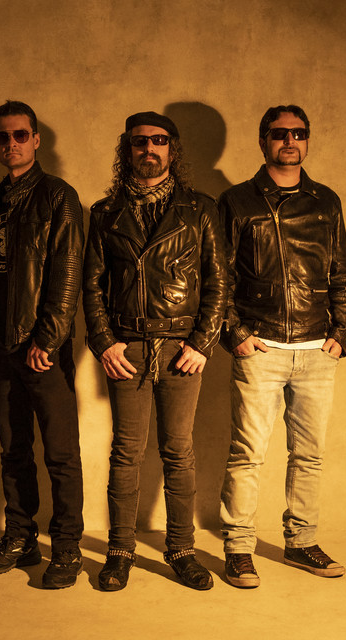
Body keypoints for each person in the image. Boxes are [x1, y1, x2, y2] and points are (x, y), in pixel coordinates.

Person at [83, 111, 227, 591]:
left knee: (178, 451)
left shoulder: (199, 208)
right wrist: (104, 342)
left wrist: (202, 343)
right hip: (127, 348)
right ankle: (120, 550)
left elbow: (218, 282)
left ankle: (182, 550)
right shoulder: (106, 212)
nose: (149, 149)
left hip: (182, 348)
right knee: (125, 452)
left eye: (159, 141)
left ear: (172, 149)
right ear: (127, 149)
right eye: (140, 142)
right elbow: (92, 286)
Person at [219, 105, 346, 588]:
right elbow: (220, 276)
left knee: (309, 455)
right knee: (248, 454)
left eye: (299, 133)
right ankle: (239, 549)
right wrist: (236, 334)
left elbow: (341, 271)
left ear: (307, 140)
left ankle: (301, 542)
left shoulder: (325, 201)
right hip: (261, 347)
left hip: (318, 349)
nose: (290, 141)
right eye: (280, 134)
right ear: (263, 141)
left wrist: (340, 334)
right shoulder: (237, 201)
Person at [0, 101, 85, 589]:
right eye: (2, 136)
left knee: (60, 453)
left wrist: (48, 338)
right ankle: (20, 537)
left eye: (20, 135)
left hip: (41, 349)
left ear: (36, 139)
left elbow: (68, 272)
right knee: (13, 450)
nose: (10, 143)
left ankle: (68, 547)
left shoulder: (58, 196)